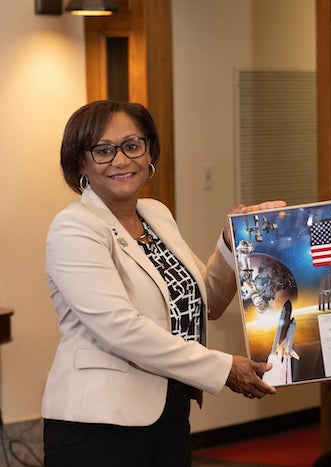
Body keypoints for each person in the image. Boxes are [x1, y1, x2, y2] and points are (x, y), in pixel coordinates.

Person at [42, 100, 284, 467]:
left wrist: (234, 242)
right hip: (98, 426)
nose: (121, 161)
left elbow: (206, 304)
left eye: (132, 145)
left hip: (169, 415)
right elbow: (120, 329)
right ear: (81, 163)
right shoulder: (74, 227)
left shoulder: (156, 213)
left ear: (149, 151)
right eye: (104, 150)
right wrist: (223, 368)